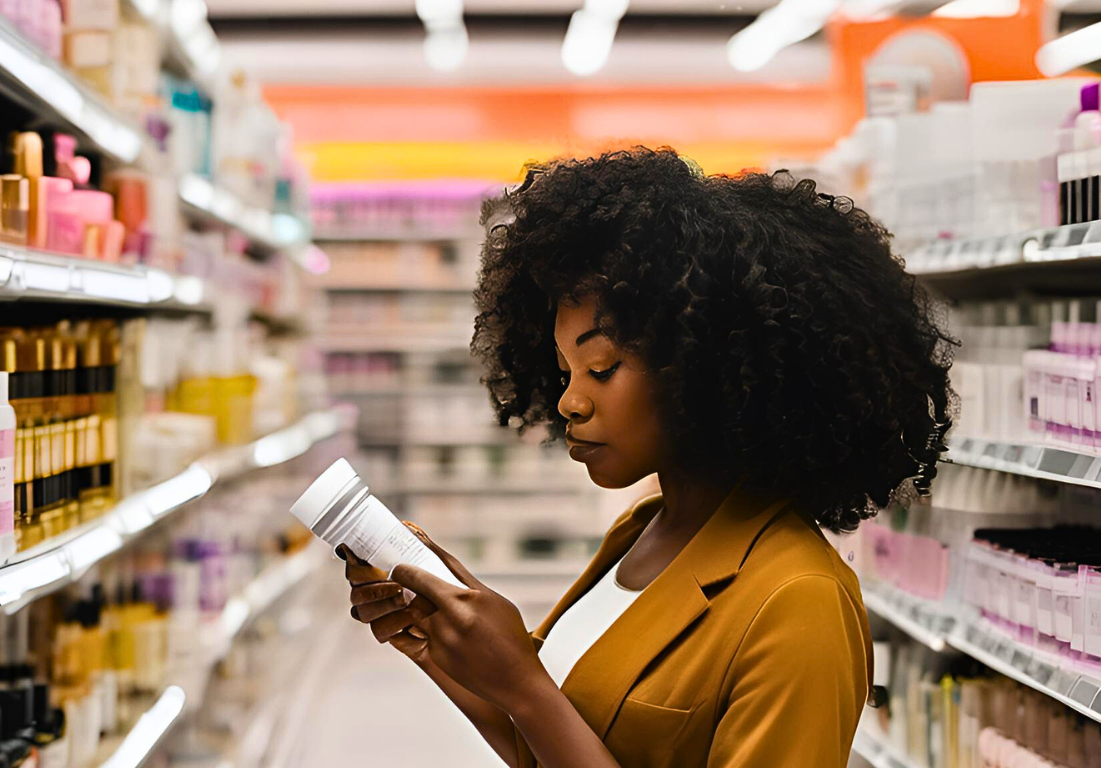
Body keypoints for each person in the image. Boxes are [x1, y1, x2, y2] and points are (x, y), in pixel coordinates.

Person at [338, 147, 955, 768]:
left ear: (705, 368)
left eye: (601, 368)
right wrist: (438, 643)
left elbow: (538, 709)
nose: (569, 403)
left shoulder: (799, 601)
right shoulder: (642, 529)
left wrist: (524, 686)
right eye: (563, 372)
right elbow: (549, 747)